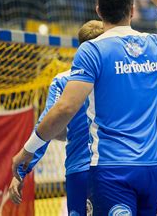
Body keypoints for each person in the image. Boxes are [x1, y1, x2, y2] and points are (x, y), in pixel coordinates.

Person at [11, 0, 157, 215]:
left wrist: (27, 151)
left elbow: (64, 110)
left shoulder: (92, 51)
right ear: (132, 10)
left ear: (98, 10)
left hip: (111, 167)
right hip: (151, 168)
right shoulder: (154, 46)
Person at [8, 20, 104, 214]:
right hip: (116, 166)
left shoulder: (63, 80)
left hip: (80, 167)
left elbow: (47, 124)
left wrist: (21, 171)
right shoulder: (119, 75)